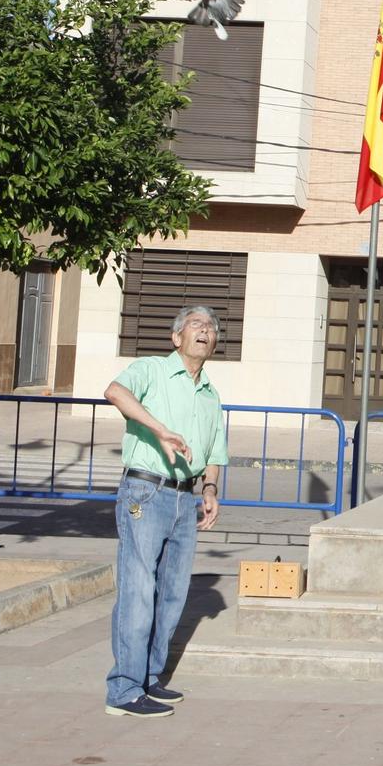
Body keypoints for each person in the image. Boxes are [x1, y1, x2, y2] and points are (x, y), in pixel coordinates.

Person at [102, 305, 228, 719]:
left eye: (210, 327)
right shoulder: (151, 370)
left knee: (172, 594)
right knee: (138, 589)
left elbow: (213, 450)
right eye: (195, 324)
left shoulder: (210, 393)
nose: (204, 331)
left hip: (184, 497)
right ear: (177, 337)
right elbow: (114, 392)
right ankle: (123, 688)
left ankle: (149, 678)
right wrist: (159, 430)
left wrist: (209, 488)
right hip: (146, 490)